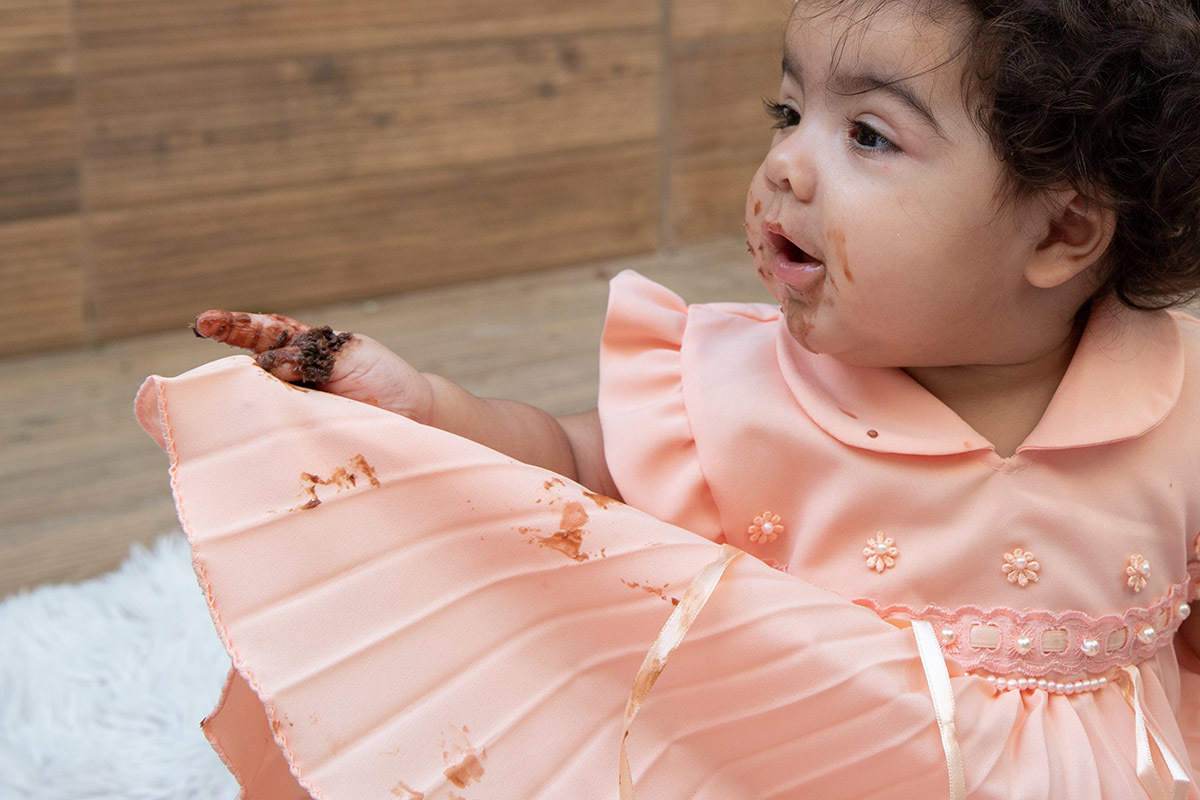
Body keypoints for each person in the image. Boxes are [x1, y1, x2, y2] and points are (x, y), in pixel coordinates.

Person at [143, 0, 1200, 797]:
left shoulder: (1178, 396)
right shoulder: (740, 387)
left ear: (1063, 232)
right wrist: (428, 405)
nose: (785, 163)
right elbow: (568, 467)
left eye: (868, 135)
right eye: (789, 112)